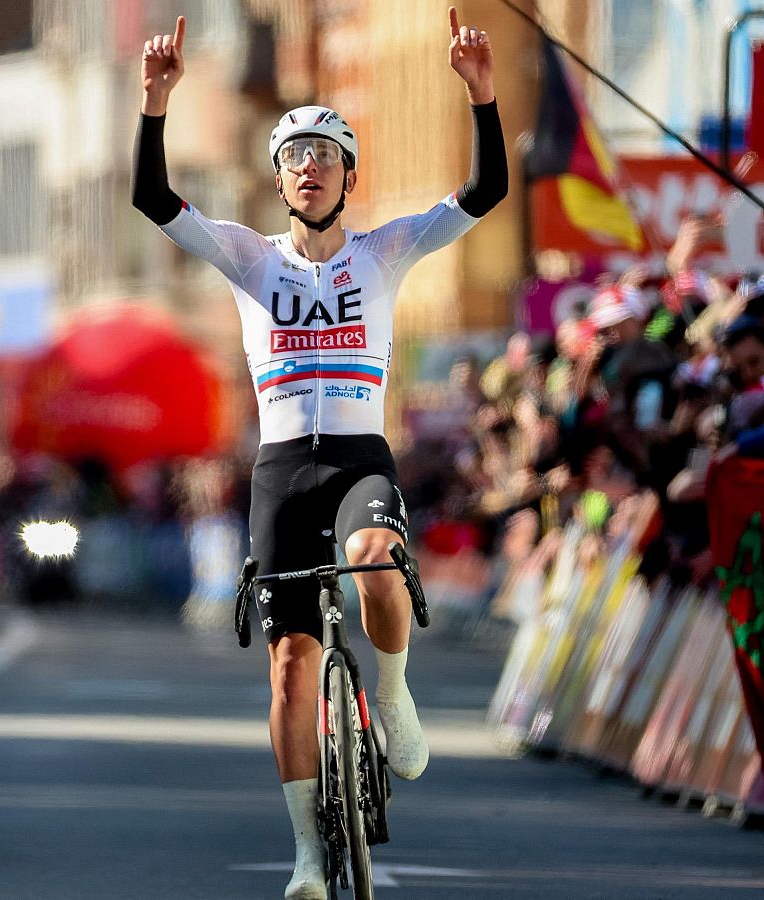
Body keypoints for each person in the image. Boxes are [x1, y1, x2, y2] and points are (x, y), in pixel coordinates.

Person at [133, 8, 506, 898]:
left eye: (326, 156)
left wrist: (482, 96)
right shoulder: (247, 257)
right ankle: (306, 852)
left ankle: (398, 694)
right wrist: (156, 106)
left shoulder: (386, 251)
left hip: (355, 459)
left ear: (346, 174)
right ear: (279, 179)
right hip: (280, 473)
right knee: (292, 663)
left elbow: (484, 193)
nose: (309, 168)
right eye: (295, 158)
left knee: (377, 560)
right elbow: (155, 200)